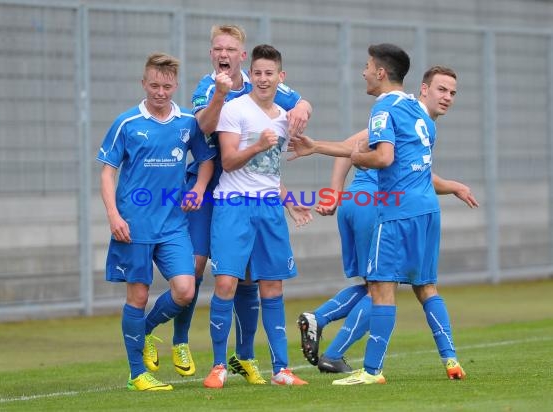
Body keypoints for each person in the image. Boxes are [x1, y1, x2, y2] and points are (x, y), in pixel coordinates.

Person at [289, 48, 470, 384]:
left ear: (382, 72)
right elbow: (404, 163)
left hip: (396, 213)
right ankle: (451, 361)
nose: (364, 72)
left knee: (381, 290)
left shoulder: (384, 107)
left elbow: (383, 157)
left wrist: (359, 161)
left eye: (368, 66)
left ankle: (369, 370)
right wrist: (317, 148)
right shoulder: (420, 116)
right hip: (427, 211)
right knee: (426, 287)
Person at [146, 24, 312, 383]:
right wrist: (221, 96)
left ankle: (249, 357)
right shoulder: (212, 91)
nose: (223, 54)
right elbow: (202, 128)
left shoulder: (264, 93)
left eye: (230, 48)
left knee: (257, 281)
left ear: (241, 55)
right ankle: (179, 340)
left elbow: (295, 105)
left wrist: (303, 106)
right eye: (217, 48)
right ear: (212, 54)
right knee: (198, 270)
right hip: (212, 189)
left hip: (261, 199)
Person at [97, 52, 216, 391]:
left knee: (185, 289)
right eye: (154, 85)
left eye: (166, 86)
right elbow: (108, 173)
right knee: (137, 295)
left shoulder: (187, 123)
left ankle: (146, 330)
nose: (160, 92)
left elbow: (206, 160)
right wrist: (113, 215)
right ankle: (138, 374)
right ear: (143, 84)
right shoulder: (127, 123)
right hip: (133, 226)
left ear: (175, 85)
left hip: (173, 225)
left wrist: (199, 188)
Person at [203, 44, 308, 388]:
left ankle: (281, 370)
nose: (263, 79)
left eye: (270, 73)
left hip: (269, 208)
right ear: (252, 75)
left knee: (273, 286)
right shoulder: (234, 109)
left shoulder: (283, 117)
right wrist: (258, 145)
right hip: (233, 204)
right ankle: (219, 366)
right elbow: (229, 161)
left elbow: (271, 174)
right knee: (225, 283)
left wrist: (290, 202)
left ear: (281, 77)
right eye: (258, 73)